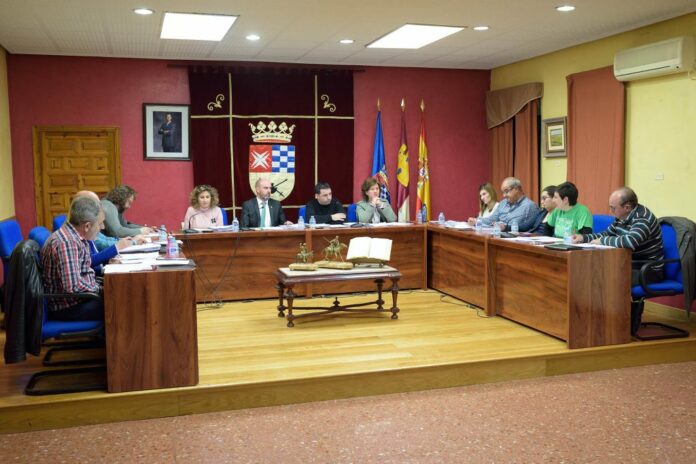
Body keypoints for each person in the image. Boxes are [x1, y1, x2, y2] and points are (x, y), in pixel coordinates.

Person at [572, 186, 663, 286]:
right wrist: (584, 238)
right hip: (629, 263)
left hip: (648, 270)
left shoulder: (642, 218)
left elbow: (630, 241)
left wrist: (603, 240)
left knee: (608, 277)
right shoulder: (622, 216)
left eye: (613, 208)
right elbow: (608, 233)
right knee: (593, 270)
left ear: (627, 207)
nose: (611, 211)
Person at [40, 196, 104, 321]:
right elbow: (73, 287)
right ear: (87, 226)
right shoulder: (68, 243)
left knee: (119, 295)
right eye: (100, 223)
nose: (102, 227)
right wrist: (100, 289)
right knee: (120, 302)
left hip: (80, 300)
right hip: (68, 307)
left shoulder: (75, 236)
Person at [74, 191, 144, 274]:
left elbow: (88, 262)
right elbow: (101, 246)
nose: (102, 227)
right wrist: (120, 245)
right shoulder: (78, 234)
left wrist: (106, 261)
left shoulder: (88, 229)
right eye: (95, 204)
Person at [467, 177, 540, 232]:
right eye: (503, 192)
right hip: (498, 237)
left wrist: (506, 228)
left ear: (517, 189)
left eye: (506, 191)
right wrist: (476, 220)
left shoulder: (530, 206)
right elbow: (491, 220)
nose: (504, 195)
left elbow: (529, 229)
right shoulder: (503, 203)